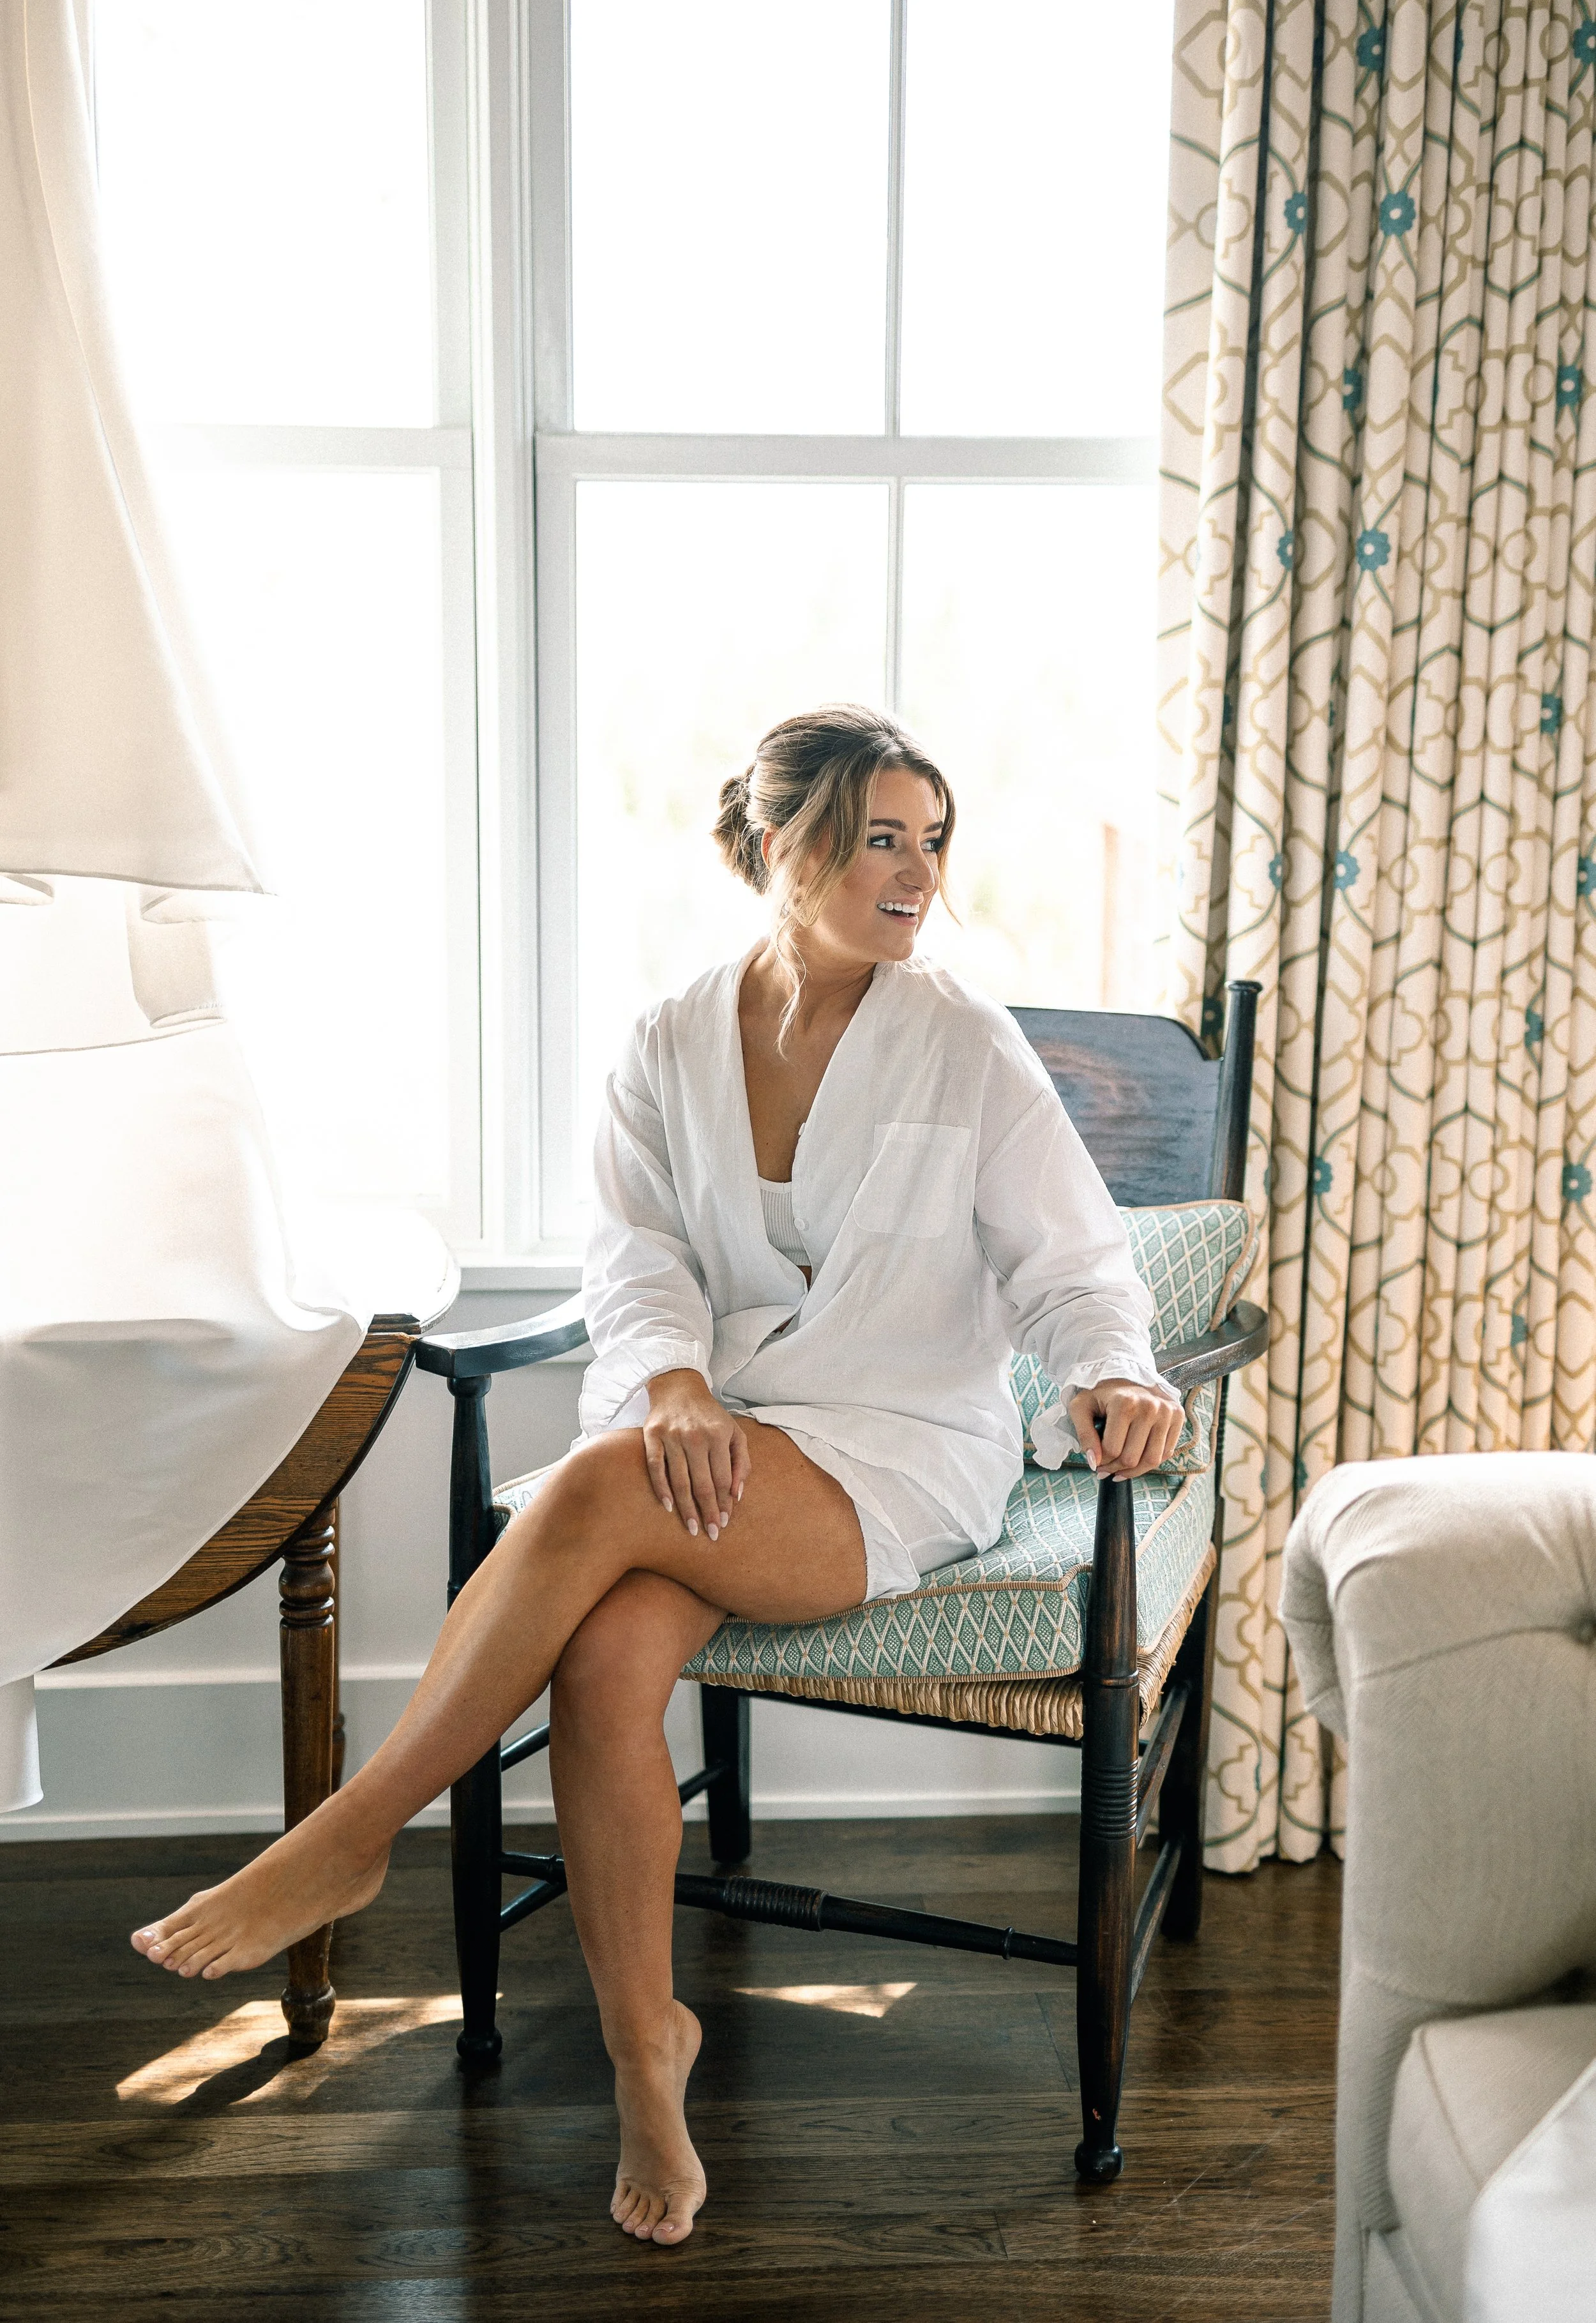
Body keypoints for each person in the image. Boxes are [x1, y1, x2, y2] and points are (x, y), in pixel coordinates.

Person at [131, 703, 1184, 2248]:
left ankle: (357, 1833)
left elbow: (1072, 1262)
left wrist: (1111, 1370)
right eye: (877, 838)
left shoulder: (962, 1042)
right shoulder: (667, 1038)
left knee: (586, 1490)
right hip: (709, 1427)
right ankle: (647, 2054)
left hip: (891, 1450)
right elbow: (629, 1264)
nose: (916, 875)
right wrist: (680, 1380)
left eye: (931, 842)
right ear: (777, 847)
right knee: (611, 1658)